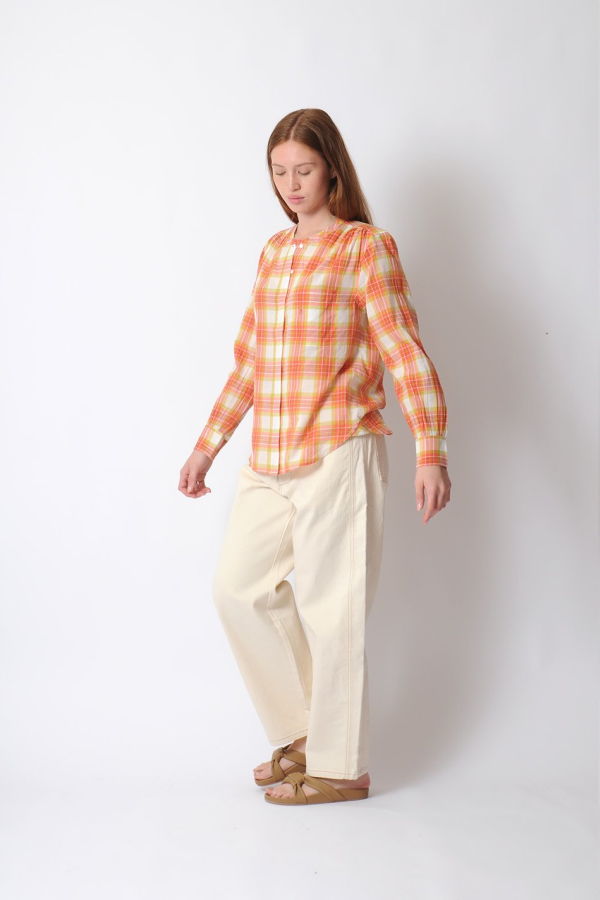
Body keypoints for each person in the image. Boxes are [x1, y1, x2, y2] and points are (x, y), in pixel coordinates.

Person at [178, 108, 451, 806]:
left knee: (334, 611)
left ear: (332, 168)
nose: (291, 184)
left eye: (303, 169)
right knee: (237, 590)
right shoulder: (274, 251)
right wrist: (208, 446)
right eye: (279, 172)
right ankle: (304, 733)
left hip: (340, 447)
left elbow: (402, 350)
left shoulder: (366, 247)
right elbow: (250, 363)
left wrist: (430, 449)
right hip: (270, 453)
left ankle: (340, 766)